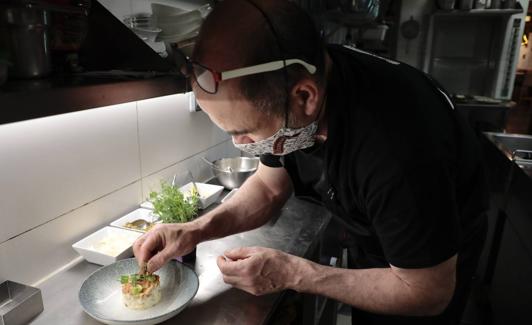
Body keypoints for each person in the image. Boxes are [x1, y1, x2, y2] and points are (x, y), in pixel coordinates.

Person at [133, 0, 488, 324]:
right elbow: (269, 187)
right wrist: (196, 231)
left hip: (431, 264)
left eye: (245, 132)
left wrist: (294, 273)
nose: (240, 145)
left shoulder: (398, 147)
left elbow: (426, 290)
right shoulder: (288, 86)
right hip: (379, 236)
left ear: (305, 96)